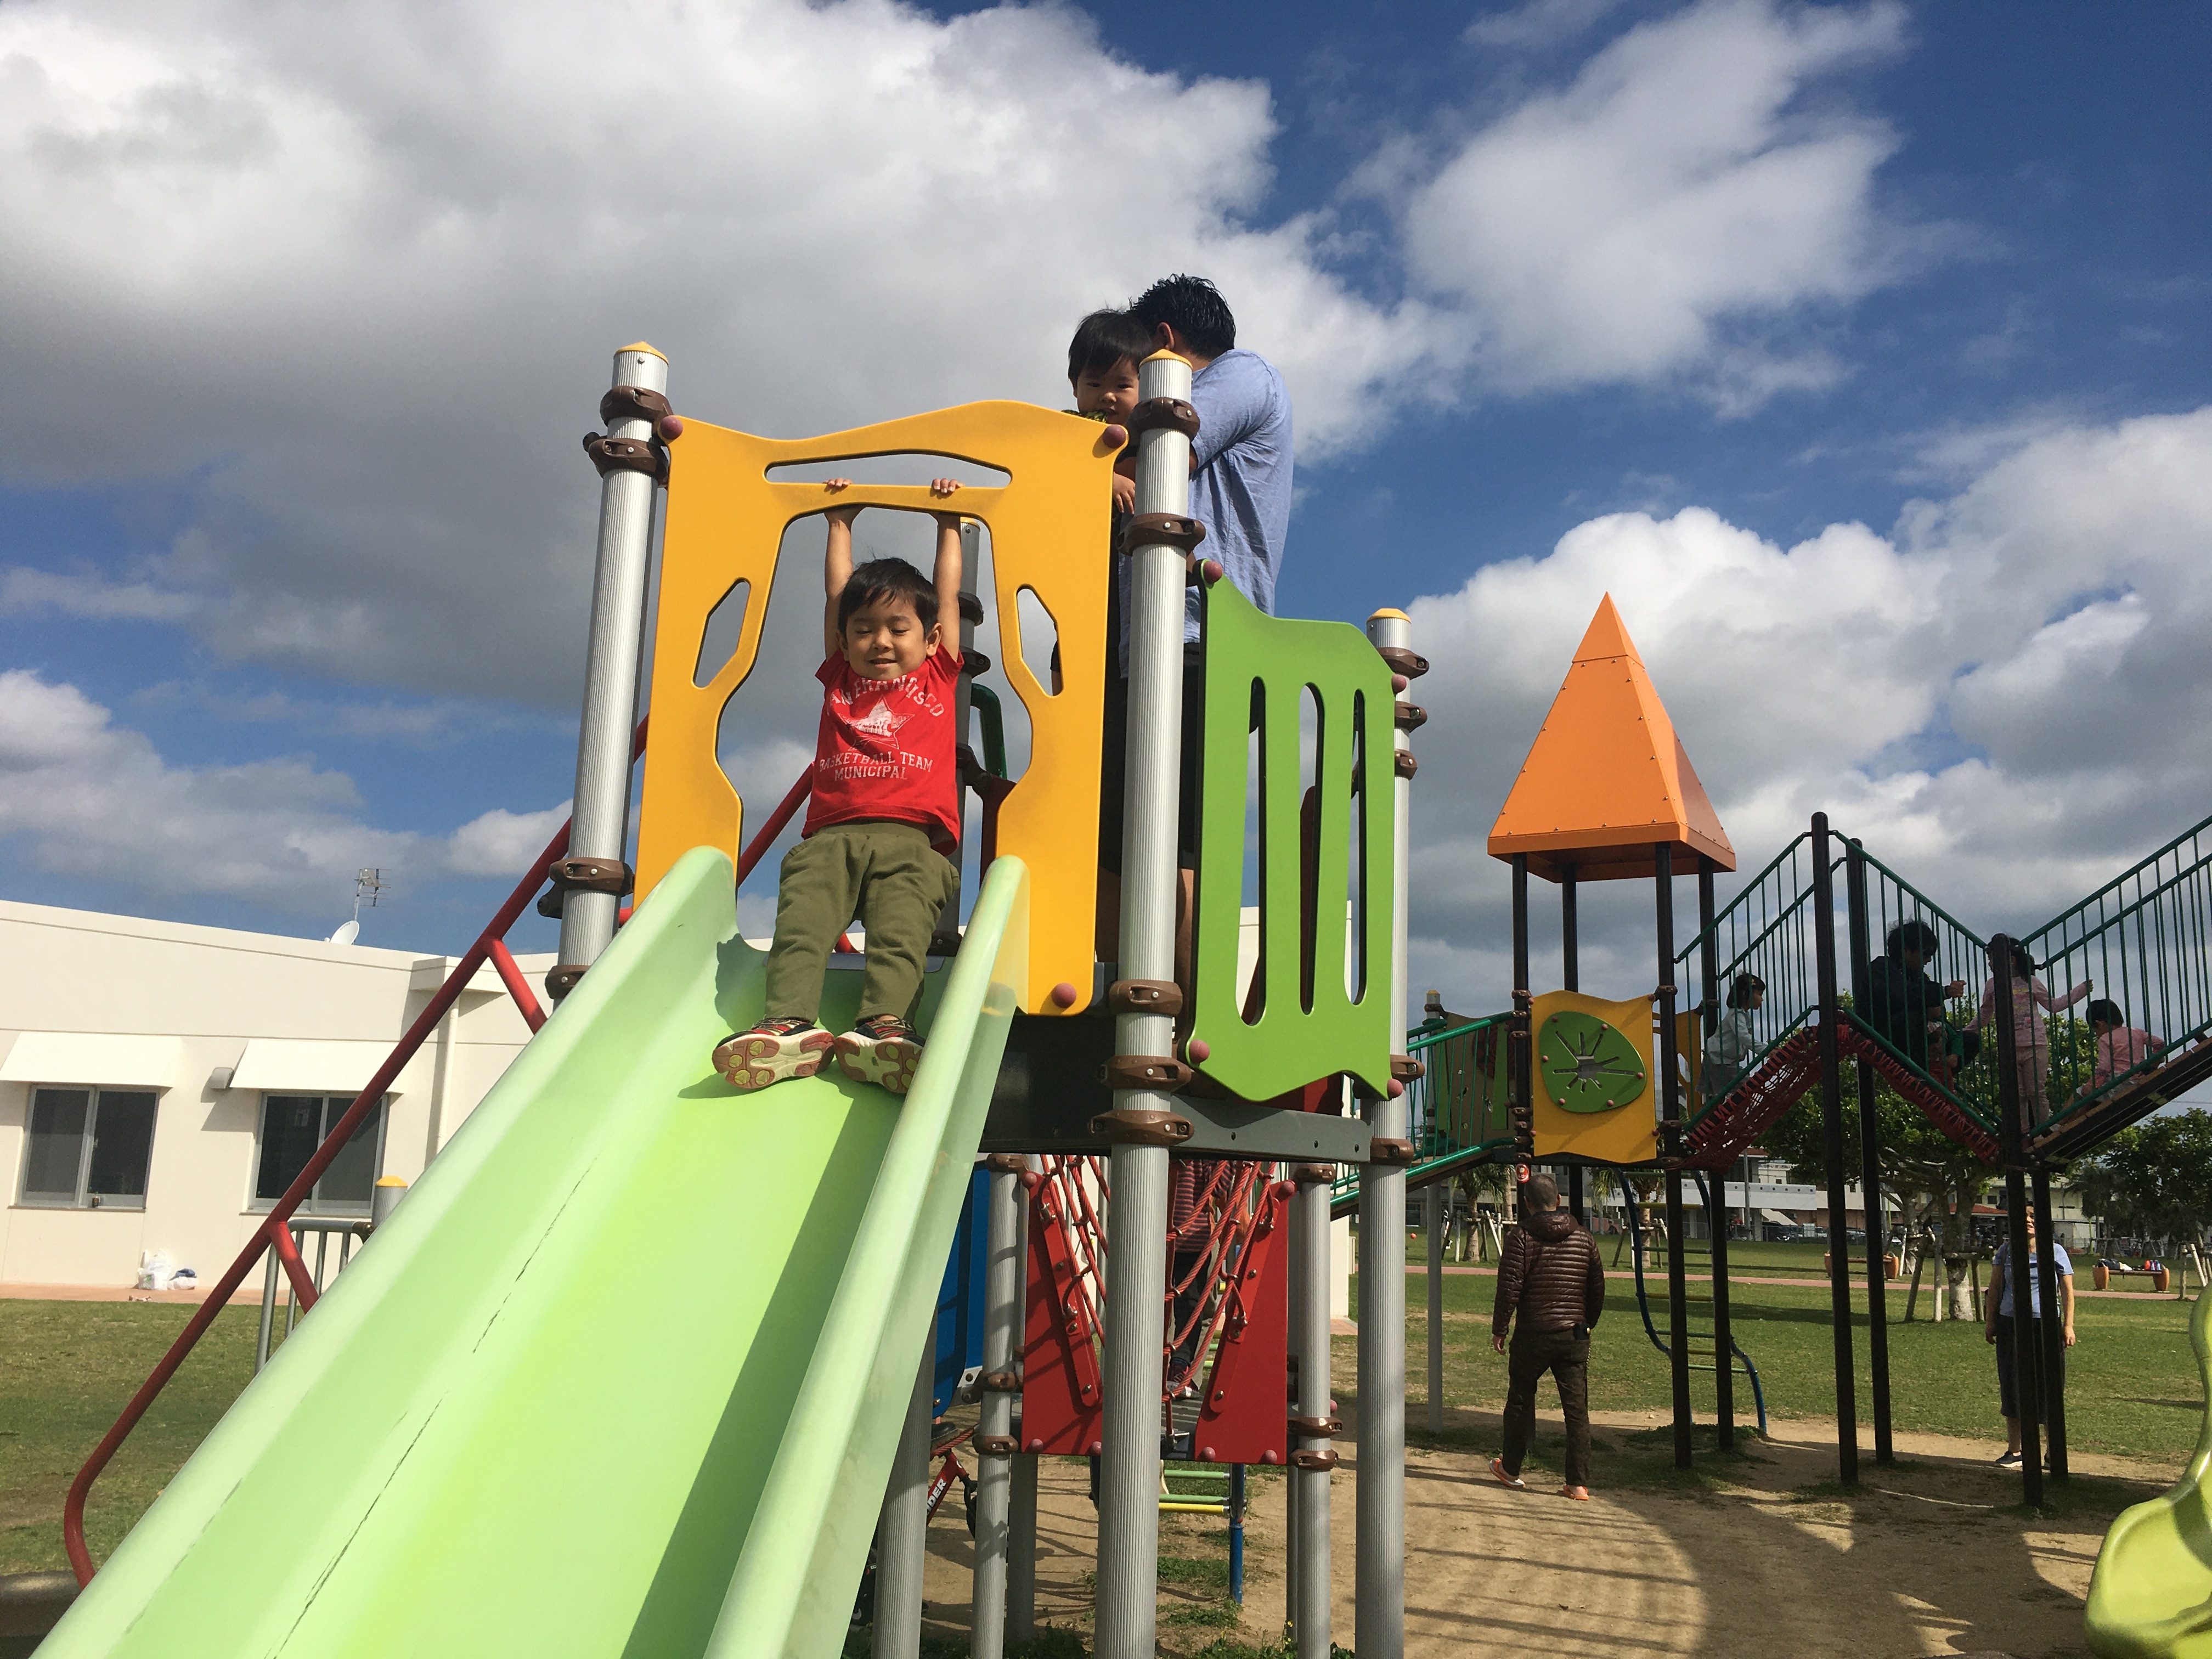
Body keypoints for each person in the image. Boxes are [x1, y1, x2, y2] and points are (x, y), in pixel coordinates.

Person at [711, 479, 966, 1096]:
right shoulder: (841, 680)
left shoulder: (937, 677)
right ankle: (787, 1027)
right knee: (801, 931)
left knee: (900, 937)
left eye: (898, 629)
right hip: (830, 838)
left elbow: (947, 596)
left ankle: (885, 1029)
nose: (880, 641)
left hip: (911, 843)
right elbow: (836, 593)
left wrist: (949, 524)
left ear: (930, 639)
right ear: (846, 640)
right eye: (864, 630)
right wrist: (839, 523)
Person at [1094, 275, 1294, 988]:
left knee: (1174, 842)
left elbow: (1162, 449)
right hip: (1143, 643)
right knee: (1119, 840)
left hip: (1199, 640)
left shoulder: (1244, 375)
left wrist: (1082, 449)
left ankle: (1179, 1016)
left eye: (1132, 368)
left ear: (1164, 342)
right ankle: (1121, 1003)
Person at [1490, 1171, 1606, 1502]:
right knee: (1576, 1410)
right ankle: (1577, 1483)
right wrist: (1587, 1323)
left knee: (1520, 1400)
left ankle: (1511, 1469)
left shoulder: (1521, 1237)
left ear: (1527, 1204)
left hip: (1532, 1334)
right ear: (1559, 1200)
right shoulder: (1584, 1238)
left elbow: (1510, 1287)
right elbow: (1597, 1288)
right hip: (1573, 1335)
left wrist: (1500, 1328)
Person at [1984, 1209, 2076, 1466]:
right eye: (2022, 1216)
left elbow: (2067, 1291)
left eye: (2033, 1216)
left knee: (2049, 1387)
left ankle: (2052, 1453)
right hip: (2010, 1324)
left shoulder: (2056, 1251)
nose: (2027, 1221)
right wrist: (1991, 1322)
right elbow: (1995, 1288)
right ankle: (2015, 1450)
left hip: (2045, 1324)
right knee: (2012, 1384)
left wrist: (2068, 1326)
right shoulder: (2006, 1252)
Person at [1971, 940, 2090, 1126]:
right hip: (2009, 1046)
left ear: (2011, 960)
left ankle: (2042, 1129)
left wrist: (2081, 991)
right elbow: (1985, 1013)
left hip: (2035, 1044)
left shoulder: (2031, 982)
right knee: (2017, 1094)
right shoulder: (1992, 985)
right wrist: (1967, 1030)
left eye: (1992, 959)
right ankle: (2024, 1132)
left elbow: (2053, 1005)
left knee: (2036, 1091)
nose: (1990, 964)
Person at [1864, 920, 1978, 1082]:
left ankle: (1937, 1074)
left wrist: (1942, 1036)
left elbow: (1934, 1006)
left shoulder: (1918, 976)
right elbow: (1903, 995)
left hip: (1921, 1040)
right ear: (1905, 950)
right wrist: (1944, 992)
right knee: (1915, 1011)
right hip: (1886, 1039)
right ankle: (1918, 1072)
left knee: (1971, 1040)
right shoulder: (1881, 968)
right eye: (1925, 953)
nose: (1929, 959)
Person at [2080, 997, 2165, 1097]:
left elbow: (2104, 1067)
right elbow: (2160, 1043)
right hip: (2138, 1078)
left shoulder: (2105, 1039)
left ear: (2099, 1024)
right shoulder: (2135, 1032)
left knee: (2079, 1093)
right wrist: (2154, 1063)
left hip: (2119, 1083)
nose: (2096, 1034)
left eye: (2094, 1029)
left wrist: (2092, 1085)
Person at [1701, 972, 1765, 1101]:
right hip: (1719, 1061)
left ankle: (1718, 1111)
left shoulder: (1743, 1015)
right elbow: (1744, 1037)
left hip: (1721, 1060)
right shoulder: (1736, 1015)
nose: (1762, 999)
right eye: (1759, 994)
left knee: (1722, 1096)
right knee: (1745, 1086)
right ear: (1745, 994)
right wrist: (1766, 1050)